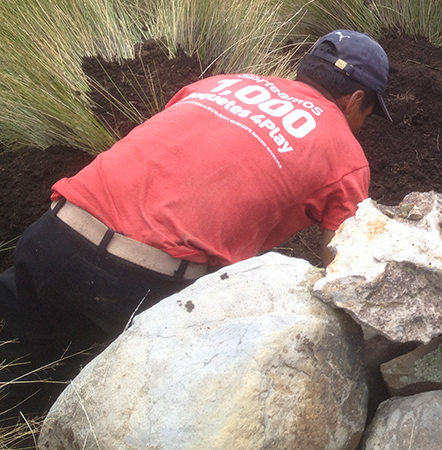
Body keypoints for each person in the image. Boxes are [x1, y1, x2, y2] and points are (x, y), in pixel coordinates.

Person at [0, 29, 390, 414]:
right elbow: (342, 272)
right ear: (357, 99)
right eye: (368, 113)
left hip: (55, 234)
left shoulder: (221, 83)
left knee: (16, 367)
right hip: (140, 285)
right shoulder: (344, 152)